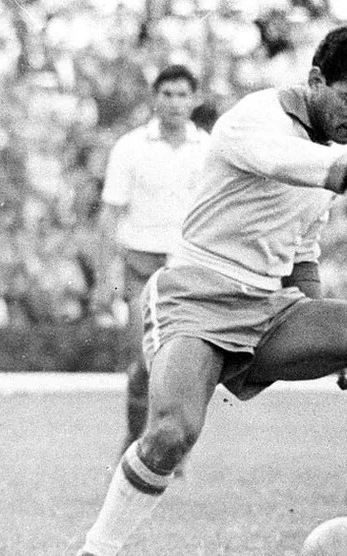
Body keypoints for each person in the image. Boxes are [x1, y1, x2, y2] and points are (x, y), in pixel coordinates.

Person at [42, 25, 347, 556]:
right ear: (315, 81)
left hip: (267, 305)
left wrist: (327, 333)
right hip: (194, 298)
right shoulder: (254, 118)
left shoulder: (338, 152)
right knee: (170, 434)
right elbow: (283, 162)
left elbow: (303, 253)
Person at [96, 65, 211, 463]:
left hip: (188, 268)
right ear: (154, 98)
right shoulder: (130, 147)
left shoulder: (209, 149)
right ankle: (135, 443)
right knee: (144, 361)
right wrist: (103, 276)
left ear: (195, 99)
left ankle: (171, 449)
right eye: (167, 94)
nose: (175, 103)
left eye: (183, 95)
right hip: (141, 264)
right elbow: (110, 214)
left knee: (185, 364)